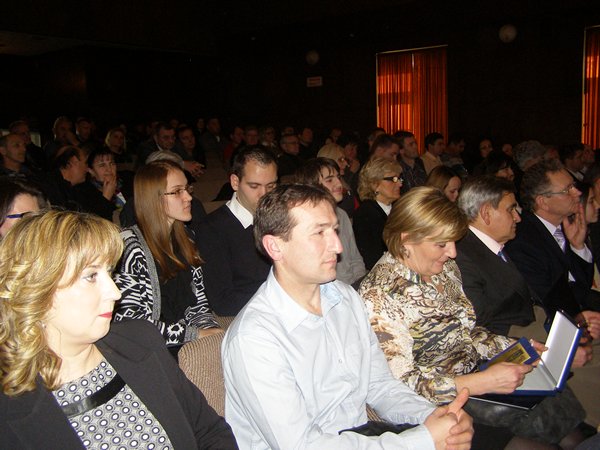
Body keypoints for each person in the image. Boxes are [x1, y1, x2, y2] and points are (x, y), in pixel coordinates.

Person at [222, 183, 473, 450]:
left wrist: (431, 415)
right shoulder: (255, 339)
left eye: (335, 230)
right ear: (275, 247)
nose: (337, 246)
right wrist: (422, 440)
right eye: (319, 233)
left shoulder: (344, 298)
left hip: (361, 436)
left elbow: (379, 384)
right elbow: (301, 445)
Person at [359, 186, 587, 448]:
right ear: (407, 239)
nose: (453, 253)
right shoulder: (380, 295)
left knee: (562, 413)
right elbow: (398, 387)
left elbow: (468, 332)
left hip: (475, 380)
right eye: (441, 244)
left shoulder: (444, 269)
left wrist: (515, 348)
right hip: (430, 409)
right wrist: (481, 383)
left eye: (453, 241)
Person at [0, 210, 237, 449]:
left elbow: (210, 432)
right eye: (91, 276)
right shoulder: (10, 405)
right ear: (36, 290)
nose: (115, 293)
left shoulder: (140, 340)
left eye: (109, 273)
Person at [114, 160, 221, 348]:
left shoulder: (187, 238)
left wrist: (210, 330)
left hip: (182, 339)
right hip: (147, 348)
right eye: (177, 191)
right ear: (154, 199)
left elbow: (198, 304)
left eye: (187, 189)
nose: (188, 197)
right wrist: (194, 334)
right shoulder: (129, 247)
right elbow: (130, 325)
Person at [192, 147, 277, 316]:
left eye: (271, 186)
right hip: (253, 316)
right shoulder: (211, 229)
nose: (264, 194)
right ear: (235, 182)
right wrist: (283, 294)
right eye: (254, 186)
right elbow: (223, 302)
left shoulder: (283, 217)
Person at [455, 176, 538, 335]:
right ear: (486, 213)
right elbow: (481, 325)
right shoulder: (462, 258)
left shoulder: (492, 244)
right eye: (510, 209)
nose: (517, 218)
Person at [295, 157, 367, 285]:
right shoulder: (305, 223)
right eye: (329, 180)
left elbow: (355, 259)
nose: (339, 184)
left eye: (338, 177)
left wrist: (361, 285)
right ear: (312, 186)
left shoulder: (342, 215)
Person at [353, 157, 402, 269]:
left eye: (399, 179)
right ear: (374, 184)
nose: (399, 184)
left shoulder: (399, 209)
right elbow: (372, 259)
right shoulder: (365, 214)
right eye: (393, 179)